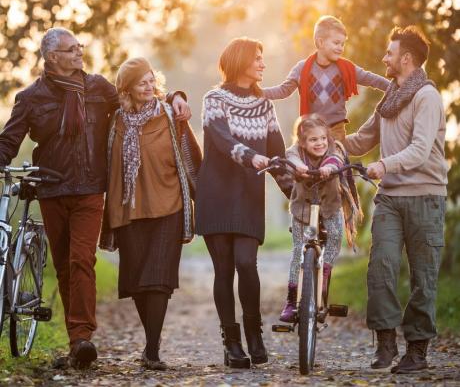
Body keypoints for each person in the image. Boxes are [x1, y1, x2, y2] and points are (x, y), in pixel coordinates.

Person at [0, 28, 190, 369]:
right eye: (71, 49)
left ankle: (82, 337)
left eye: (80, 47)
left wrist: (174, 94)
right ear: (52, 57)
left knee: (81, 260)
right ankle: (77, 341)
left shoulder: (98, 88)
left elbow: (137, 95)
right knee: (62, 266)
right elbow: (9, 141)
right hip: (53, 188)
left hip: (90, 189)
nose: (79, 52)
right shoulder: (31, 98)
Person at [345, 26, 448, 373]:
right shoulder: (390, 96)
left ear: (406, 59)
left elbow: (420, 150)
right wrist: (323, 144)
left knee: (423, 277)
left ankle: (417, 351)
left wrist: (384, 165)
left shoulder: (427, 97)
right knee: (381, 267)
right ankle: (386, 342)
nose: (384, 59)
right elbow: (363, 139)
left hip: (426, 197)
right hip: (390, 198)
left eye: (389, 53)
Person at [195, 37, 292, 369]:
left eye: (263, 58)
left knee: (247, 264)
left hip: (249, 197)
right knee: (223, 270)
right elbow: (221, 140)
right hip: (216, 194)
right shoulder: (214, 99)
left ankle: (254, 333)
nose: (263, 64)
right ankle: (232, 344)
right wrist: (251, 157)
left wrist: (295, 191)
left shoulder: (265, 105)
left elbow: (277, 154)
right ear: (241, 61)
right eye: (258, 58)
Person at [99, 57, 200, 370]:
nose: (149, 86)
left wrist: (204, 198)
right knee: (136, 281)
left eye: (151, 80)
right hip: (127, 210)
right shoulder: (114, 121)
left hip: (167, 205)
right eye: (141, 82)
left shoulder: (171, 115)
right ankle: (150, 343)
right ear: (127, 89)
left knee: (158, 279)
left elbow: (192, 158)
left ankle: (152, 349)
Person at [279, 114, 360, 322]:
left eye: (323, 138)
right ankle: (291, 299)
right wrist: (298, 167)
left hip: (330, 207)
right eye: (313, 140)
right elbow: (290, 156)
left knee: (335, 236)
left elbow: (336, 160)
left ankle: (324, 273)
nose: (320, 143)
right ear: (303, 142)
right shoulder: (295, 151)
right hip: (302, 210)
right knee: (298, 250)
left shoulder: (335, 149)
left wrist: (329, 168)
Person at [262, 15, 390, 142]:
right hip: (310, 129)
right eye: (336, 43)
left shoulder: (346, 68)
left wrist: (395, 87)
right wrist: (257, 92)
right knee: (307, 159)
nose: (340, 48)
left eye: (342, 44)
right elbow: (283, 90)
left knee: (333, 159)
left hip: (336, 129)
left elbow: (372, 79)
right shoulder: (302, 68)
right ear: (320, 42)